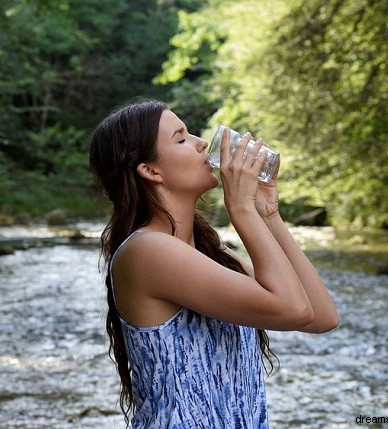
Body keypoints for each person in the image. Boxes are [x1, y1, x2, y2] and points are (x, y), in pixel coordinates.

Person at [88, 98, 339, 428]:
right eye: (181, 138)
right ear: (151, 171)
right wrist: (242, 211)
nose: (201, 143)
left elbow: (321, 316)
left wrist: (269, 215)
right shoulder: (148, 250)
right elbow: (293, 309)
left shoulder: (208, 253)